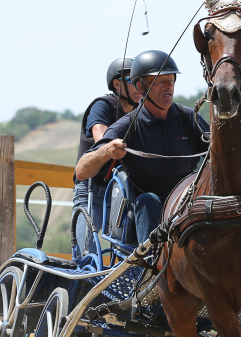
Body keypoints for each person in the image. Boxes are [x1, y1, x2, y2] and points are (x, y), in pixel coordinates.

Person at [75, 50, 210, 245]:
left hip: (186, 204)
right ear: (140, 86)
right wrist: (106, 151)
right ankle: (150, 266)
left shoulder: (189, 117)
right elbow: (81, 171)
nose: (169, 86)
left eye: (171, 79)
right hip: (145, 210)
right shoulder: (126, 125)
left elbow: (221, 152)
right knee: (148, 200)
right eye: (160, 81)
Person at [72, 58, 142, 253]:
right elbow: (101, 139)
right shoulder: (103, 105)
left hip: (123, 192)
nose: (139, 86)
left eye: (141, 81)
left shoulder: (141, 112)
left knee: (129, 254)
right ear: (117, 84)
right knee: (86, 253)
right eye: (132, 80)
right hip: (92, 189)